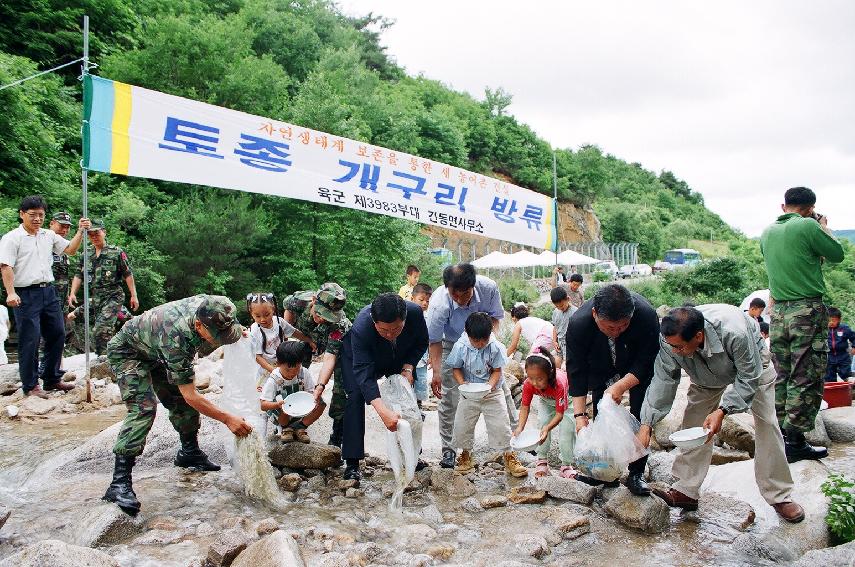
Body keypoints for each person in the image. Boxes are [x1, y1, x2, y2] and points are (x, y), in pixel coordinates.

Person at [639, 305, 805, 523]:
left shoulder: (735, 333)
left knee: (767, 423)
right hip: (703, 374)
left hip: (754, 368)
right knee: (694, 424)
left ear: (698, 336)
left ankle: (779, 495)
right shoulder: (670, 340)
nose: (674, 351)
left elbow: (749, 377)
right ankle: (686, 491)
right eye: (672, 347)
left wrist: (723, 410)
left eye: (679, 347)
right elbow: (664, 380)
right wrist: (647, 423)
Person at [103, 295, 253, 516]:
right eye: (217, 337)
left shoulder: (215, 306)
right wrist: (228, 419)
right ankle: (118, 483)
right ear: (199, 325)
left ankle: (189, 452)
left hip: (156, 348)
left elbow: (229, 323)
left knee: (179, 402)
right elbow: (191, 395)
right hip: (128, 352)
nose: (220, 341)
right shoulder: (177, 338)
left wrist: (238, 333)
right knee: (143, 409)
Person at [760, 186, 844, 461]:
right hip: (805, 310)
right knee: (805, 374)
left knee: (783, 374)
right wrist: (823, 227)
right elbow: (836, 254)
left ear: (782, 206)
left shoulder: (767, 232)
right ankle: (795, 441)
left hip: (778, 313)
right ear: (810, 208)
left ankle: (783, 438)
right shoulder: (808, 226)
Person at [566, 284, 659, 496]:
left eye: (623, 326)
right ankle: (605, 473)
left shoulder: (645, 315)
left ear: (631, 315)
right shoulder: (579, 323)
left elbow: (648, 360)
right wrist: (580, 416)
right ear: (594, 314)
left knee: (640, 413)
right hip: (600, 366)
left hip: (635, 368)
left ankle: (636, 473)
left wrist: (622, 385)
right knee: (602, 414)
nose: (616, 332)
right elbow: (576, 369)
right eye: (610, 328)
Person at [0, 195, 90, 398]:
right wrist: (11, 292)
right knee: (30, 339)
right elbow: (6, 266)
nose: (37, 219)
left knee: (58, 333)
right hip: (25, 293)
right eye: (32, 215)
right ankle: (31, 386)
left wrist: (80, 231)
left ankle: (51, 378)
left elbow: (71, 250)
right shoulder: (12, 238)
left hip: (48, 291)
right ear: (22, 214)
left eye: (40, 215)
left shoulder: (48, 235)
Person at [426, 263, 510, 469]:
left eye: (465, 294)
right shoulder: (438, 305)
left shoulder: (488, 288)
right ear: (447, 289)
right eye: (455, 295)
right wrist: (436, 371)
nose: (461, 300)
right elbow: (434, 341)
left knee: (500, 390)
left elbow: (496, 319)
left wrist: (490, 349)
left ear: (474, 285)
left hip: (483, 339)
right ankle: (449, 450)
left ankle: (511, 445)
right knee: (449, 398)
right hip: (450, 343)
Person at [340, 293, 428, 481]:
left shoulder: (415, 313)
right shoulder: (361, 326)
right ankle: (352, 462)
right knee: (355, 396)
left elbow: (421, 343)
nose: (389, 335)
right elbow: (363, 373)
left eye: (396, 329)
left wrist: (409, 366)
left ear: (405, 318)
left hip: (398, 357)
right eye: (383, 330)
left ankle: (411, 455)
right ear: (374, 321)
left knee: (405, 394)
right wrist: (382, 411)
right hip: (360, 359)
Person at [449, 312, 528, 477]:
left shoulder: (495, 346)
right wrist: (462, 384)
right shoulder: (461, 346)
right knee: (462, 425)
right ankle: (465, 455)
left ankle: (509, 455)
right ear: (467, 333)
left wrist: (489, 387)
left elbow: (497, 370)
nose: (479, 344)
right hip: (468, 392)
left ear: (489, 333)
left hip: (492, 392)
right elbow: (455, 368)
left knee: (501, 425)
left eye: (482, 340)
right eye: (475, 340)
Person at [282, 283, 351, 448]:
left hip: (336, 348)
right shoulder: (298, 301)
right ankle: (290, 424)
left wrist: (320, 385)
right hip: (305, 340)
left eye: (328, 317)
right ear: (314, 300)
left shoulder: (340, 325)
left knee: (343, 384)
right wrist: (285, 341)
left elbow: (329, 358)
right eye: (320, 314)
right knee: (291, 373)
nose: (321, 319)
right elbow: (287, 314)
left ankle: (337, 437)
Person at [68, 219, 139, 354]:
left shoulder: (116, 252)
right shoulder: (86, 254)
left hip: (113, 296)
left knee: (101, 330)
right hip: (96, 298)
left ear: (104, 232)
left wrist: (134, 295)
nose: (94, 237)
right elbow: (78, 275)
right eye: (90, 234)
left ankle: (105, 359)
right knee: (120, 323)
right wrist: (72, 293)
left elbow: (128, 274)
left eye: (97, 233)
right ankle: (132, 323)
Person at [515, 347, 575, 479]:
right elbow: (525, 407)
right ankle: (542, 460)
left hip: (567, 402)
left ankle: (566, 465)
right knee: (542, 424)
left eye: (540, 379)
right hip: (546, 401)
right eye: (531, 378)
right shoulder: (528, 384)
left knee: (567, 431)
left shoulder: (559, 383)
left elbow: (559, 415)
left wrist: (548, 428)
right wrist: (520, 427)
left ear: (550, 374)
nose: (535, 383)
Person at [246, 292, 315, 389]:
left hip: (282, 363)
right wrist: (273, 370)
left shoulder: (279, 321)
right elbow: (257, 357)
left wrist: (309, 340)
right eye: (257, 316)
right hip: (265, 369)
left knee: (284, 388)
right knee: (267, 392)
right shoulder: (254, 331)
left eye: (266, 315)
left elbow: (294, 332)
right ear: (251, 313)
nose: (262, 319)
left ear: (273, 309)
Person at [260, 341, 325, 443]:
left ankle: (300, 427)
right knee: (285, 405)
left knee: (321, 403)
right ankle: (286, 429)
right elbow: (263, 405)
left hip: (301, 409)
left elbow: (310, 392)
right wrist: (277, 404)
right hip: (282, 412)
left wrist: (314, 397)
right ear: (278, 364)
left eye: (296, 369)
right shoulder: (274, 380)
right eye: (288, 370)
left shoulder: (303, 373)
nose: (293, 373)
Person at [411, 283, 433, 408]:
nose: (424, 303)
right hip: (408, 357)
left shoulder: (428, 317)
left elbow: (430, 338)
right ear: (413, 298)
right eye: (421, 300)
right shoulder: (406, 314)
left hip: (422, 358)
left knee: (420, 383)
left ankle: (418, 409)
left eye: (427, 301)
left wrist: (431, 355)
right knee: (407, 384)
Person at [551, 286, 578, 369]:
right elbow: (555, 327)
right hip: (559, 345)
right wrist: (554, 341)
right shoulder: (556, 312)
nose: (560, 308)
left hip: (570, 346)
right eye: (557, 306)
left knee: (565, 368)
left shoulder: (575, 312)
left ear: (568, 299)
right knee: (553, 364)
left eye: (562, 306)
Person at [825, 307, 855, 382]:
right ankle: (832, 389)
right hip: (829, 355)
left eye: (833, 320)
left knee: (846, 373)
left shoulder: (844, 328)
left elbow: (853, 337)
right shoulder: (824, 329)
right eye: (829, 320)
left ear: (839, 320)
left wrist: (854, 347)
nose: (831, 322)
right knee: (829, 376)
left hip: (843, 355)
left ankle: (849, 388)